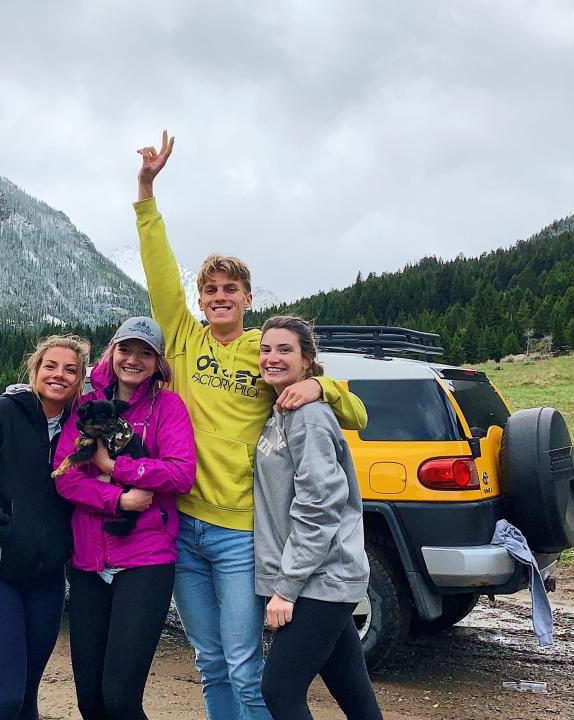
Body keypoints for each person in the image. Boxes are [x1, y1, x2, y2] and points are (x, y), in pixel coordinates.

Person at [134, 131, 368, 720]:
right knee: (208, 658)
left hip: (241, 531)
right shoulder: (184, 340)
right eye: (210, 289)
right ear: (200, 297)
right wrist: (146, 192)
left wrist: (321, 384)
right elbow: (158, 269)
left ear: (246, 297)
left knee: (244, 663)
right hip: (183, 526)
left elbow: (354, 412)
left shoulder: (264, 355)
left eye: (229, 290)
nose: (218, 297)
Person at [54, 316, 197, 720]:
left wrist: (114, 466)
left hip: (145, 562)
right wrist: (120, 501)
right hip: (87, 562)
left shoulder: (168, 407)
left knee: (120, 699)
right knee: (90, 701)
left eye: (145, 352)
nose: (133, 359)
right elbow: (66, 480)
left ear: (158, 361)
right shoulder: (86, 405)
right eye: (126, 349)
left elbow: (181, 473)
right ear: (112, 351)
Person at [0, 335, 90, 720]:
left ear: (80, 380)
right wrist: (5, 528)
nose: (59, 375)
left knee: (28, 698)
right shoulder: (1, 413)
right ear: (35, 369)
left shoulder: (79, 429)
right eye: (51, 366)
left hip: (46, 579)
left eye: (70, 369)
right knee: (6, 698)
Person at [255, 315, 382, 720]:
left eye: (284, 349)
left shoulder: (308, 415)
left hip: (320, 581)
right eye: (266, 349)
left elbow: (319, 507)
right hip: (323, 579)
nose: (272, 358)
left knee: (279, 691)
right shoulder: (283, 409)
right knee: (354, 694)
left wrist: (287, 587)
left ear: (308, 360)